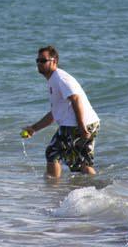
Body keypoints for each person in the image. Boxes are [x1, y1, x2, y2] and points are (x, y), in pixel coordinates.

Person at [24, 46, 100, 178]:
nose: (39, 64)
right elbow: (55, 113)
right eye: (38, 60)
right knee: (81, 163)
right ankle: (96, 190)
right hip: (89, 122)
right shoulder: (53, 80)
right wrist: (34, 128)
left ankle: (53, 188)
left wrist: (81, 127)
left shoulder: (60, 78)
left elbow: (76, 99)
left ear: (54, 61)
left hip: (76, 125)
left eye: (43, 60)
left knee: (53, 153)